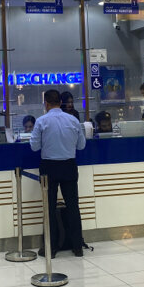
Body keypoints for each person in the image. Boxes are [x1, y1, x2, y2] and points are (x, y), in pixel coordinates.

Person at [30, 89, 87, 257]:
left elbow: (34, 147)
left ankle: (51, 248)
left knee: (49, 208)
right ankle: (77, 247)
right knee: (73, 206)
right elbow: (81, 146)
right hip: (69, 165)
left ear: (46, 103)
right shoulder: (73, 120)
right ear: (60, 102)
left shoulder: (41, 121)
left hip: (49, 167)